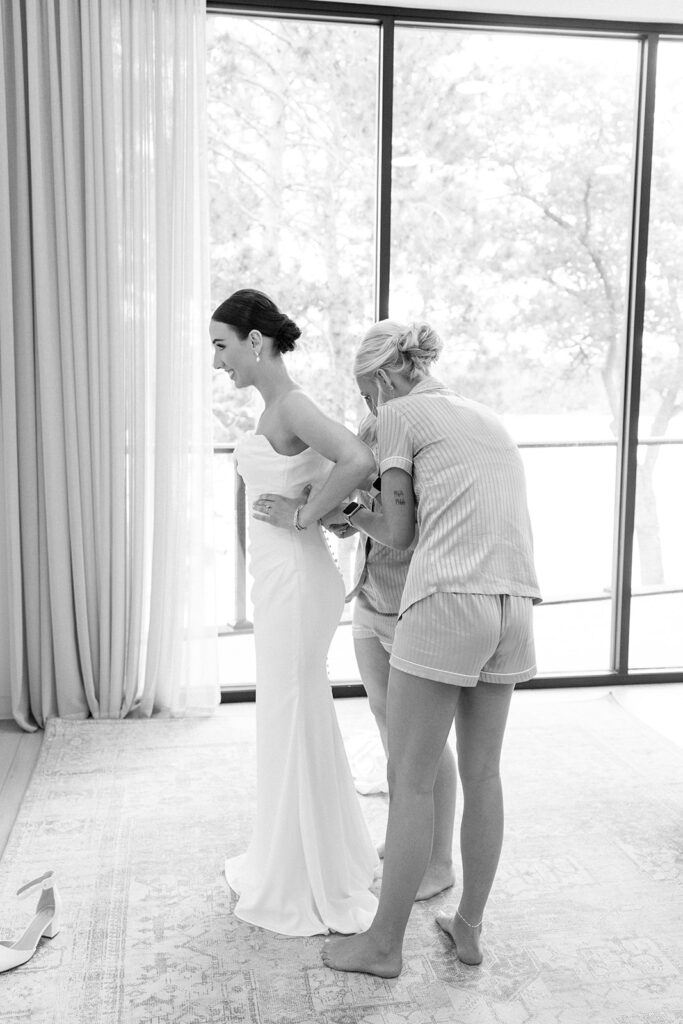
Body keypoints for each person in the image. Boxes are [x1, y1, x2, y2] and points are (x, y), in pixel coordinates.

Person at [321, 319, 541, 977]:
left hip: (447, 599)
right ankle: (467, 929)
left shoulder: (400, 415)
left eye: (367, 395)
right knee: (483, 774)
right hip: (514, 604)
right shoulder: (484, 417)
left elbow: (397, 526)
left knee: (408, 777)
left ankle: (383, 946)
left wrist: (346, 515)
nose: (369, 412)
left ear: (385, 377)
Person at [211, 288, 379, 936]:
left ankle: (306, 873)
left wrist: (306, 514)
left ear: (256, 342)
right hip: (281, 577)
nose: (218, 361)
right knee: (291, 708)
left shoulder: (293, 404)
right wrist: (312, 508)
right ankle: (309, 853)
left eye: (222, 346)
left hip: (296, 575)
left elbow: (357, 458)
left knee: (290, 704)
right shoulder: (275, 407)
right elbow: (341, 469)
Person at [325, 413, 457, 902]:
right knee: (388, 729)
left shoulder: (433, 435)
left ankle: (439, 861)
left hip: (414, 603)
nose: (369, 401)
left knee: (423, 741)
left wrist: (357, 513)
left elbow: (414, 525)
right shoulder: (371, 425)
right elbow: (368, 500)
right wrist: (350, 515)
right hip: (370, 596)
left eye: (371, 388)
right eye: (362, 393)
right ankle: (407, 840)